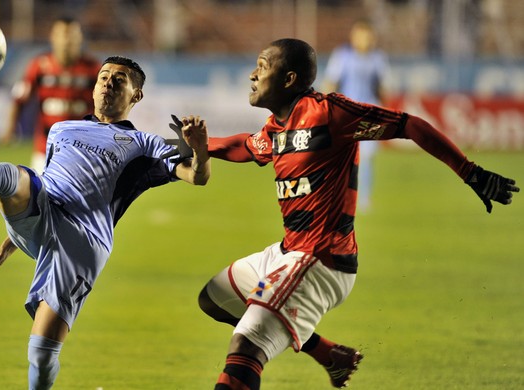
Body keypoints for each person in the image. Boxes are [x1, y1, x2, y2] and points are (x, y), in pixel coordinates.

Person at [197, 38, 518, 390]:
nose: (252, 75)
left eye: (261, 65)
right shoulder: (277, 128)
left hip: (319, 261)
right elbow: (245, 147)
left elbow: (409, 124)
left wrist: (471, 172)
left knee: (245, 348)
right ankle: (327, 354)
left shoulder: (330, 113)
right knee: (215, 298)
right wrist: (197, 144)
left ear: (288, 79)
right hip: (287, 253)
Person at [0, 56, 211, 390]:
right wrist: (5, 250)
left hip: (83, 240)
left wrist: (200, 151)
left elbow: (196, 177)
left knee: (41, 353)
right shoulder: (61, 129)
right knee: (16, 177)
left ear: (136, 96)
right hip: (46, 209)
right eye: (104, 77)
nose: (108, 83)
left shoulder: (144, 146)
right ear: (93, 88)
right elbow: (47, 182)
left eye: (119, 80)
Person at [2, 17, 101, 172]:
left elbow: (105, 107)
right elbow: (19, 99)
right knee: (39, 194)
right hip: (45, 149)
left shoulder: (93, 69)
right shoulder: (39, 66)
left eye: (71, 34)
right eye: (62, 34)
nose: (66, 40)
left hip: (81, 151)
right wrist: (11, 128)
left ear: (80, 38)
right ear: (53, 37)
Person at [323, 19, 389, 212]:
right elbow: (331, 82)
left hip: (370, 114)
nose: (364, 40)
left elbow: (382, 88)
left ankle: (363, 198)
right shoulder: (342, 56)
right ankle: (335, 194)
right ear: (353, 36)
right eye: (360, 35)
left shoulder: (378, 58)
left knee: (366, 156)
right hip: (345, 113)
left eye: (368, 36)